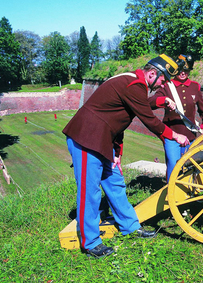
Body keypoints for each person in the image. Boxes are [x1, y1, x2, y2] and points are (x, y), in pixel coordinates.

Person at [63, 54, 190, 258]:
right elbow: (148, 118)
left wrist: (117, 153)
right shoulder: (134, 85)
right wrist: (174, 135)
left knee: (115, 184)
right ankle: (91, 243)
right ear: (152, 73)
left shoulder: (133, 82)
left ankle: (130, 226)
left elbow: (120, 119)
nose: (162, 84)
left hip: (102, 139)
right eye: (163, 80)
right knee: (90, 191)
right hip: (87, 137)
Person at [149, 54, 203, 182]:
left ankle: (187, 193)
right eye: (181, 70)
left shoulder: (195, 87)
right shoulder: (167, 86)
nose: (183, 73)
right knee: (173, 164)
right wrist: (164, 99)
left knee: (190, 166)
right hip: (171, 134)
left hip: (191, 136)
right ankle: (170, 190)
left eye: (186, 71)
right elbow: (151, 102)